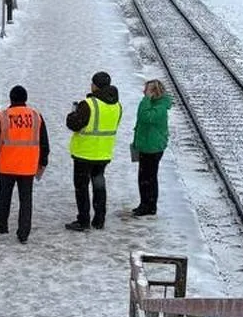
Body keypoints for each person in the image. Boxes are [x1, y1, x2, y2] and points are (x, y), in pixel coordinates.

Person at [0, 85, 50, 244]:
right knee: (26, 199)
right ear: (25, 99)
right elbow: (44, 143)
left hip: (7, 165)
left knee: (4, 196)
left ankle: (2, 225)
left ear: (11, 98)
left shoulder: (3, 116)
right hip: (28, 166)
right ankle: (23, 232)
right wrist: (42, 161)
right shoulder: (36, 116)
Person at [64, 71, 122, 232]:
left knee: (82, 187)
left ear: (95, 86)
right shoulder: (117, 106)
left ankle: (83, 220)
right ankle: (99, 218)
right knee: (99, 185)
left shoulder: (88, 104)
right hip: (103, 153)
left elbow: (74, 124)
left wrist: (72, 115)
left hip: (84, 153)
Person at [131, 79, 172, 217]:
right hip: (147, 145)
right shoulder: (155, 104)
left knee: (148, 178)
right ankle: (146, 204)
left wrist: (146, 100)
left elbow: (145, 117)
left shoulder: (159, 108)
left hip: (152, 147)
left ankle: (148, 206)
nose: (144, 92)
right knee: (145, 177)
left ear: (154, 92)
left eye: (147, 90)